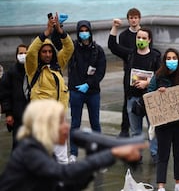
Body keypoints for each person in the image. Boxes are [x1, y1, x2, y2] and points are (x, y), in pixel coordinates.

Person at [0, 99, 146, 191]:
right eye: (61, 122)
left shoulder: (44, 152)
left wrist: (93, 164)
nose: (67, 127)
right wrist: (112, 153)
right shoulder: (29, 151)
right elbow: (64, 173)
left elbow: (64, 186)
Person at [25, 12, 74, 164]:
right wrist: (47, 32)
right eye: (44, 52)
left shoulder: (57, 65)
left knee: (61, 156)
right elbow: (31, 52)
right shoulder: (32, 68)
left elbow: (69, 47)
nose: (47, 54)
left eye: (50, 51)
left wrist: (60, 31)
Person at [109, 26, 161, 162]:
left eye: (144, 38)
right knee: (135, 130)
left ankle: (155, 154)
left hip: (150, 99)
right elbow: (113, 46)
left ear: (149, 40)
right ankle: (136, 155)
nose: (141, 40)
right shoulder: (130, 54)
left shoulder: (155, 56)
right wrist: (115, 27)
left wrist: (148, 83)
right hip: (133, 98)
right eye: (139, 37)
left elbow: (161, 77)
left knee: (153, 129)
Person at [148, 48, 179, 191]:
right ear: (164, 61)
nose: (171, 61)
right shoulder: (158, 76)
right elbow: (149, 93)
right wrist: (157, 93)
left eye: (174, 58)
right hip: (164, 123)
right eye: (168, 58)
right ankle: (161, 185)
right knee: (163, 154)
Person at [67, 20, 107, 163]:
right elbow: (58, 42)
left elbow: (100, 72)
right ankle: (73, 153)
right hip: (76, 91)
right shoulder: (72, 47)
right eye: (81, 31)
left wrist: (88, 84)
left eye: (86, 30)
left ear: (90, 31)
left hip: (92, 92)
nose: (84, 33)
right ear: (78, 32)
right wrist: (57, 27)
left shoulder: (98, 50)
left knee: (95, 123)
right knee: (75, 123)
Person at [109, 8, 142, 138]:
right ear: (128, 19)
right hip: (129, 73)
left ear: (139, 18)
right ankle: (125, 129)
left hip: (144, 73)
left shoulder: (145, 33)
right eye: (131, 18)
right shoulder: (123, 36)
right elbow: (116, 48)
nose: (133, 20)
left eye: (136, 17)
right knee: (128, 101)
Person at [0, 44, 29, 150]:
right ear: (16, 55)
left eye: (26, 53)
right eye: (21, 53)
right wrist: (8, 113)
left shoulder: (33, 70)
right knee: (18, 145)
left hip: (31, 115)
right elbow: (4, 94)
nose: (23, 55)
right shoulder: (10, 73)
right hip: (17, 116)